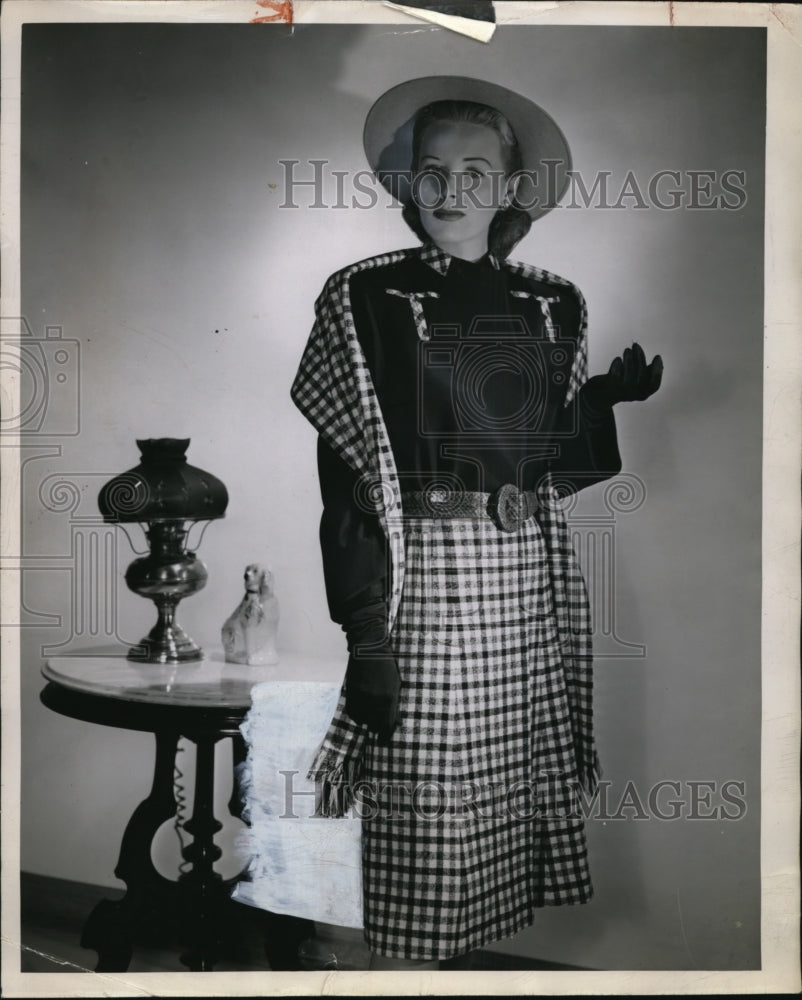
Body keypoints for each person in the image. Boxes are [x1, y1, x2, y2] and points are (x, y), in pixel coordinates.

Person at [290, 76, 662, 970]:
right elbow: (348, 478)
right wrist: (368, 638)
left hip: (524, 576)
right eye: (432, 169)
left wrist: (601, 396)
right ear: (407, 183)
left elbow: (551, 471)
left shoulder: (554, 301)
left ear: (510, 186)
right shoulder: (363, 298)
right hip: (425, 574)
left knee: (493, 814)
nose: (451, 187)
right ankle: (395, 974)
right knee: (422, 807)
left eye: (474, 169)